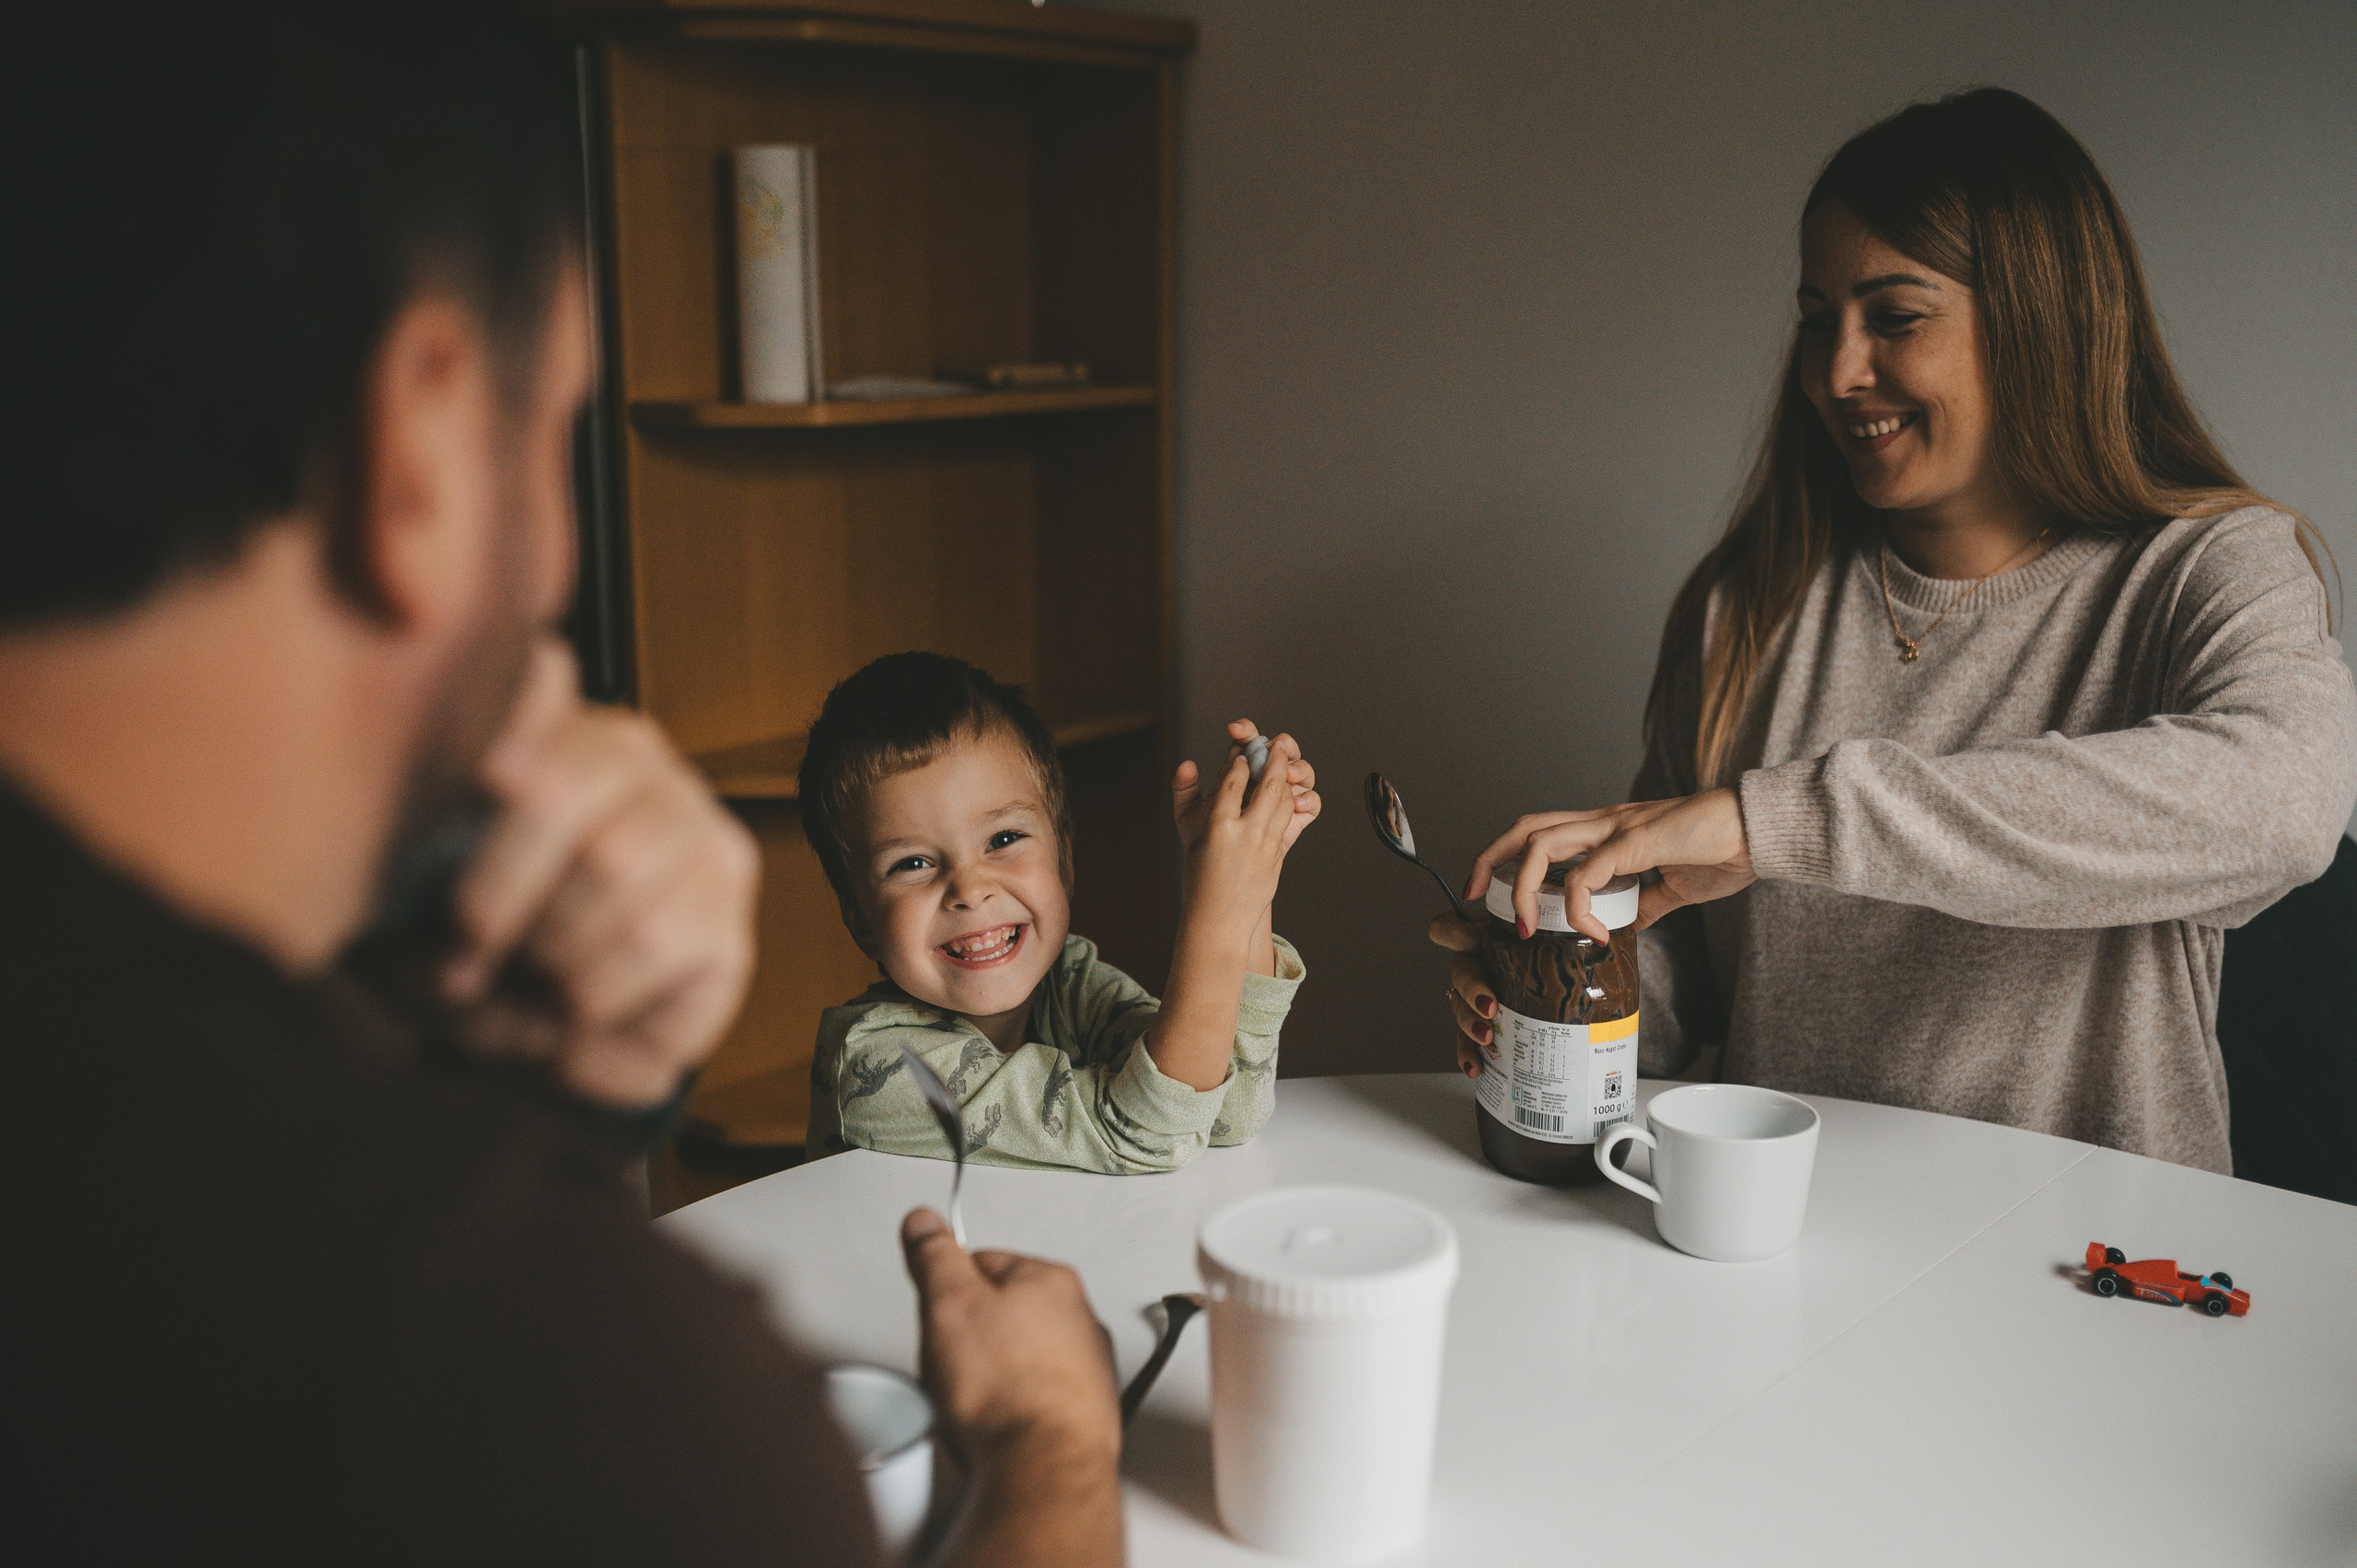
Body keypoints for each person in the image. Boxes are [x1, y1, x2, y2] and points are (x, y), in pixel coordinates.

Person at [1, 6, 1122, 1563]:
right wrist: (1052, 1445)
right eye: (561, 422)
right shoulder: (596, 1404)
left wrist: (549, 1124)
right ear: (423, 445)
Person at [1434, 88, 2357, 1174]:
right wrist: (1562, 984)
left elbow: (2285, 803)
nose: (1835, 373)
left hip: (2093, 1271)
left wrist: (1775, 819)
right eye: (1817, 317)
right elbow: (1688, 962)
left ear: (2036, 316)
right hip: (1790, 1241)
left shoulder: (2209, 566)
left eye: (1894, 316)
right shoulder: (1751, 603)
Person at [801, 653, 1318, 1172]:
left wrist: (1250, 876)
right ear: (860, 920)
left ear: (1064, 862)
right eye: (912, 863)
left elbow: (1227, 1113)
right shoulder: (877, 1066)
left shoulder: (1067, 982)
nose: (970, 889)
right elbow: (1148, 1133)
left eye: (1003, 839)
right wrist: (1218, 914)